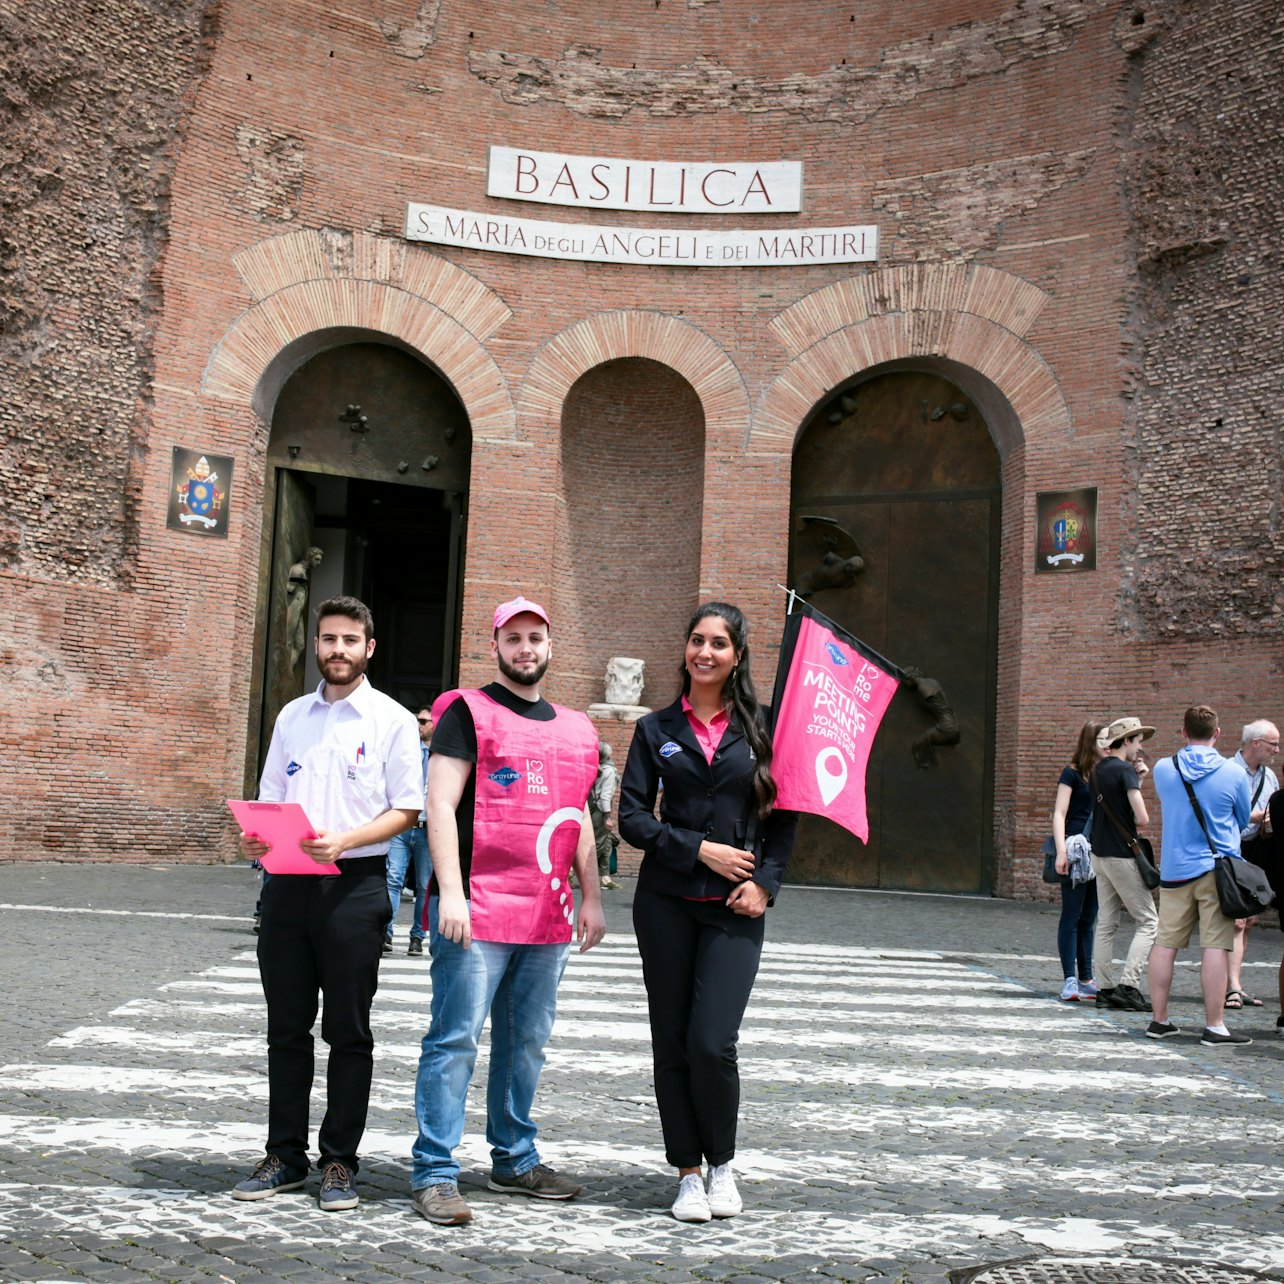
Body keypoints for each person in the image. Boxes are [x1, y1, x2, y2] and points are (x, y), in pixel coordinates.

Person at [409, 595, 606, 1227]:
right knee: (455, 1041)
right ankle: (435, 1171)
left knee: (525, 1046)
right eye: (513, 638)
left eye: (535, 638)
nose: (525, 648)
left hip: (547, 915)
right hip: (480, 909)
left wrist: (593, 897)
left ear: (551, 648)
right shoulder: (467, 713)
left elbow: (580, 820)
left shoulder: (578, 728)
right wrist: (452, 893)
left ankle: (515, 1158)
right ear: (495, 646)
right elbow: (439, 806)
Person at [232, 596, 423, 1211]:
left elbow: (406, 809)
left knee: (349, 1031)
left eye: (349, 640)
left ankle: (340, 1161)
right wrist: (256, 835)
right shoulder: (291, 716)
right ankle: (283, 1156)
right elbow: (270, 796)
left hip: (356, 886)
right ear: (317, 646)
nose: (337, 650)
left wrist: (346, 839)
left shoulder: (390, 719)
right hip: (286, 886)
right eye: (328, 639)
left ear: (370, 648)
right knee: (285, 1029)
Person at [619, 602, 798, 1224]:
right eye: (696, 640)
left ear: (737, 655)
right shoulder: (654, 729)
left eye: (719, 643)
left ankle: (723, 1165)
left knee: (712, 1041)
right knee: (671, 1041)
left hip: (735, 906)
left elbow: (785, 816)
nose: (705, 652)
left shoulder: (765, 729)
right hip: (665, 901)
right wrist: (697, 848)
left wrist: (767, 884)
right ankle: (688, 1174)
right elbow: (633, 818)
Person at [1147, 704, 1253, 1045]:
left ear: (1183, 731)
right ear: (1218, 733)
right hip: (1216, 870)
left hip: (1175, 868)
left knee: (1165, 943)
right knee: (1216, 946)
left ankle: (1159, 1020)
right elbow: (1242, 818)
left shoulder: (1165, 768)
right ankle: (1215, 1025)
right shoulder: (1234, 773)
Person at [1089, 715, 1156, 1012]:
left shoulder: (1097, 770)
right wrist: (1138, 782)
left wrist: (1137, 780)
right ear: (1126, 740)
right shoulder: (1125, 771)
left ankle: (1104, 989)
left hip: (1099, 854)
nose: (1140, 748)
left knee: (1106, 923)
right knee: (1149, 921)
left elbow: (1112, 806)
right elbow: (1141, 819)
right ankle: (1128, 986)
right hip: (1121, 855)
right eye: (1138, 741)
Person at [1225, 719, 1280, 1009]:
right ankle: (1230, 987)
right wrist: (1256, 816)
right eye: (1273, 744)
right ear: (1256, 743)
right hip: (1231, 850)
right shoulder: (1227, 771)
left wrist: (1268, 822)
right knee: (1236, 920)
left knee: (1250, 920)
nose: (1277, 750)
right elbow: (1224, 813)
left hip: (1256, 849)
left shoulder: (1269, 777)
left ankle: (1236, 982)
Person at [1051, 722, 1104, 1002]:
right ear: (1090, 742)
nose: (1108, 744)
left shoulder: (1107, 774)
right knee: (1071, 916)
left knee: (1090, 917)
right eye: (1103, 739)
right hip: (1075, 849)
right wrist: (1061, 851)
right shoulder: (1072, 773)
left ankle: (1086, 978)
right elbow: (1060, 813)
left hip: (1100, 852)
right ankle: (1069, 980)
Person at [385, 706, 434, 956]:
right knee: (393, 879)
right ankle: (387, 932)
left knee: (424, 885)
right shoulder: (406, 753)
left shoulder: (440, 756)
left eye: (424, 721)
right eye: (417, 720)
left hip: (427, 830)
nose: (419, 725)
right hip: (401, 826)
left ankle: (417, 936)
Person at [589, 741, 621, 890]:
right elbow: (605, 796)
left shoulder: (598, 768)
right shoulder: (608, 772)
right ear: (607, 754)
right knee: (598, 843)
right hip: (600, 811)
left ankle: (605, 878)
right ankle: (573, 871)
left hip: (595, 808)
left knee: (607, 843)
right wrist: (608, 817)